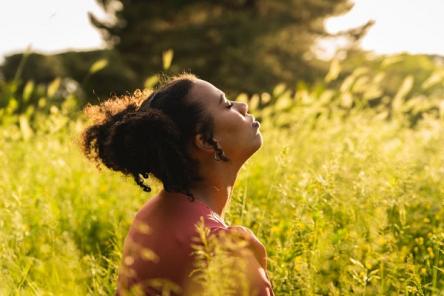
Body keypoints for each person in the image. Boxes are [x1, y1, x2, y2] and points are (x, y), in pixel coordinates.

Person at [80, 73, 274, 295]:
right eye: (227, 105)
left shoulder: (149, 217)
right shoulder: (223, 251)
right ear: (204, 140)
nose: (243, 106)